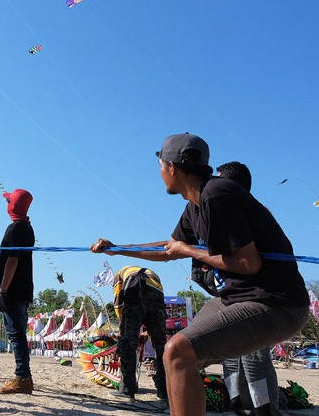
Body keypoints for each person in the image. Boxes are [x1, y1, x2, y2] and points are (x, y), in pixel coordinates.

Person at [90, 133, 309, 415]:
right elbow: (170, 249)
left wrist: (190, 251)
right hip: (238, 298)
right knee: (174, 355)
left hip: (277, 303)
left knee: (177, 352)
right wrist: (118, 249)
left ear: (172, 167)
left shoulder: (218, 194)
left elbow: (247, 264)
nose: (159, 174)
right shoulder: (195, 204)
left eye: (160, 166)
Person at [210, 161, 283, 416]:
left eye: (218, 182)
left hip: (258, 299)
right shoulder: (224, 214)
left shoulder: (254, 214)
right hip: (233, 299)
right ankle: (239, 405)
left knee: (254, 361)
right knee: (230, 357)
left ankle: (264, 410)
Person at [0, 188, 36, 394]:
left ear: (13, 206)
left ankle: (22, 377)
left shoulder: (14, 229)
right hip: (23, 289)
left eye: (9, 201)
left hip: (13, 290)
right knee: (19, 333)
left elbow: (12, 260)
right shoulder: (27, 227)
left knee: (16, 334)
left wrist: (2, 291)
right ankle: (24, 375)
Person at [109, 266, 168, 401]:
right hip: (157, 296)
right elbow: (155, 308)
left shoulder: (119, 274)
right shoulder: (153, 274)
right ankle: (164, 390)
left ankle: (127, 390)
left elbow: (118, 302)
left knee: (128, 344)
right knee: (161, 347)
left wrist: (124, 327)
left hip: (135, 294)